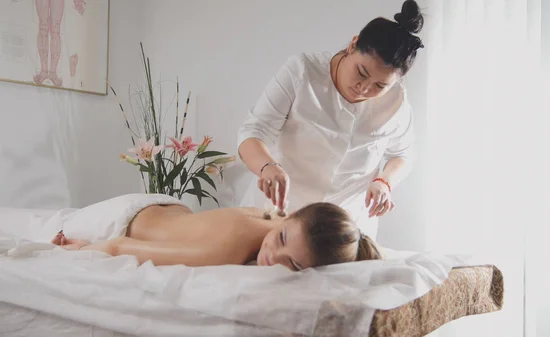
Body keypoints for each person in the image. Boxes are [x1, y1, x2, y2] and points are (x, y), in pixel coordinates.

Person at [236, 0, 424, 238]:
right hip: (279, 213)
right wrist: (266, 166)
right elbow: (253, 130)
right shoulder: (302, 72)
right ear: (353, 44)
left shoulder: (397, 102)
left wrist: (384, 182)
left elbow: (403, 154)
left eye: (379, 85)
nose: (364, 88)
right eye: (361, 72)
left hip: (345, 227)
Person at [51, 195, 381, 271]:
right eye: (281, 240)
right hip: (123, 217)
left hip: (167, 208)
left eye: (292, 265)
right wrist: (84, 248)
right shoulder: (229, 250)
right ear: (291, 215)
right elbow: (119, 247)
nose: (272, 258)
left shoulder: (273, 219)